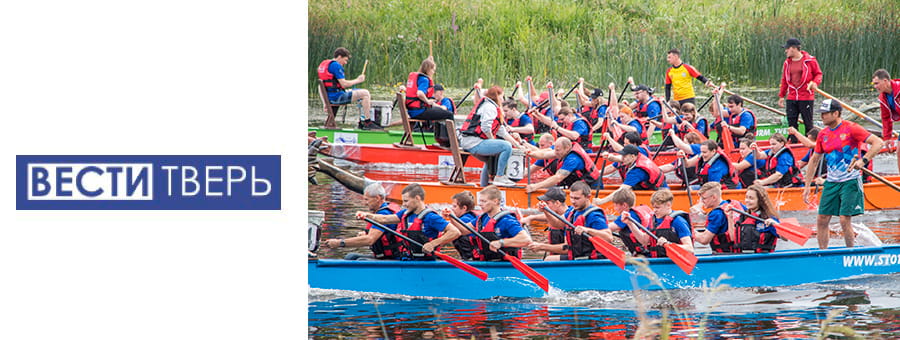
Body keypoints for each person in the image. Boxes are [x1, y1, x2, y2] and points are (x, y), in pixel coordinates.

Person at [802, 99, 884, 249]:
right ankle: (823, 254)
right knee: (821, 219)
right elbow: (814, 161)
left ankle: (850, 251)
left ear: (836, 113)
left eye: (825, 114)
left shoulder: (852, 128)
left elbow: (878, 142)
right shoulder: (822, 134)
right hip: (832, 182)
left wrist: (863, 160)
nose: (822, 117)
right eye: (821, 114)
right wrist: (807, 186)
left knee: (844, 219)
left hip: (850, 180)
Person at [353, 183, 460, 260]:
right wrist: (366, 215)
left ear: (417, 198)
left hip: (426, 261)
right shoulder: (405, 213)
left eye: (406, 201)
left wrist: (433, 244)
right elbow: (384, 219)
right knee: (352, 257)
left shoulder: (430, 217)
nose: (403, 204)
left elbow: (455, 232)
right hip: (409, 258)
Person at [443, 185, 532, 261]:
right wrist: (452, 216)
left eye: (484, 201)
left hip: (505, 264)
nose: (480, 204)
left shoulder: (507, 220)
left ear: (495, 201)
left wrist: (501, 242)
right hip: (487, 262)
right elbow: (464, 230)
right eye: (480, 201)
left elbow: (526, 240)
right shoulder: (482, 218)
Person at [528, 181, 612, 260]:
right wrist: (546, 211)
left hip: (590, 259)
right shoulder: (572, 211)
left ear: (588, 197)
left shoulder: (594, 215)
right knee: (549, 259)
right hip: (577, 256)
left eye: (577, 198)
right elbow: (557, 224)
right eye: (571, 197)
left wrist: (587, 230)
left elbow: (608, 238)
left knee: (549, 260)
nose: (573, 201)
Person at [458, 85, 522, 187]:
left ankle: (484, 186)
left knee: (490, 159)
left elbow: (502, 131)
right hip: (473, 142)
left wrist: (518, 144)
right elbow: (485, 128)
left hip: (469, 141)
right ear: (497, 96)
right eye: (502, 96)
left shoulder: (489, 106)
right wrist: (492, 140)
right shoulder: (490, 107)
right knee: (506, 146)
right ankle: (499, 177)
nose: (503, 99)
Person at [323, 183, 401, 260]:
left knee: (360, 261)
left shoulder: (384, 213)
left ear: (377, 198)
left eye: (366, 199)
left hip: (393, 258)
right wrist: (366, 233)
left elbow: (369, 240)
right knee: (351, 256)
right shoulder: (381, 211)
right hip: (383, 256)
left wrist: (340, 243)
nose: (364, 203)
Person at [317, 47, 376, 129]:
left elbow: (320, 86)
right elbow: (344, 84)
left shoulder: (325, 64)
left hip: (330, 97)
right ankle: (367, 122)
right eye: (345, 60)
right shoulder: (336, 66)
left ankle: (330, 124)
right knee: (365, 94)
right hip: (337, 97)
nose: (345, 63)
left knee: (360, 93)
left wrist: (325, 102)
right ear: (339, 57)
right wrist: (358, 80)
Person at [778, 38, 823, 142]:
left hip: (806, 96)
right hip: (792, 96)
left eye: (787, 49)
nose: (785, 51)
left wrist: (815, 83)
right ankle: (794, 143)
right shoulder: (787, 63)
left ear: (794, 49)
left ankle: (810, 143)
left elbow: (818, 74)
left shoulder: (810, 60)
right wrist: (781, 96)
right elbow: (784, 80)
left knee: (808, 123)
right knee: (792, 123)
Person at [593, 144, 667, 206]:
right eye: (622, 156)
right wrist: (611, 157)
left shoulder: (637, 172)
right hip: (652, 187)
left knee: (627, 191)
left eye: (624, 156)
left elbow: (621, 191)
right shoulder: (636, 157)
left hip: (660, 194)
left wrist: (601, 201)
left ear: (632, 156)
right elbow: (618, 160)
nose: (622, 158)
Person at [629, 189, 694, 257]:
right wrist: (630, 224)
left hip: (673, 262)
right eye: (653, 207)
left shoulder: (678, 221)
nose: (654, 210)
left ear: (668, 205)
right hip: (657, 260)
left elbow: (690, 248)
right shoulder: (654, 220)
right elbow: (645, 241)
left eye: (657, 208)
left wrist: (668, 244)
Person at [525, 137, 601, 192]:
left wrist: (536, 186)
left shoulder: (573, 159)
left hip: (592, 187)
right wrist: (530, 153)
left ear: (567, 148)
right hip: (577, 185)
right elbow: (543, 154)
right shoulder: (561, 151)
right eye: (555, 149)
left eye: (557, 150)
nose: (555, 152)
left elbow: (558, 177)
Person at [691, 182, 743, 253]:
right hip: (739, 250)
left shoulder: (716, 214)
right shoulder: (735, 204)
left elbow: (704, 240)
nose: (702, 201)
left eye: (704, 198)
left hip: (725, 254)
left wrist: (688, 230)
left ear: (714, 197)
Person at [520, 186, 571, 252]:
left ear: (557, 203)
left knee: (548, 259)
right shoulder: (560, 214)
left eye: (547, 203)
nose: (545, 205)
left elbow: (567, 249)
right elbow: (554, 217)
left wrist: (541, 247)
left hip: (570, 259)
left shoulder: (570, 217)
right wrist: (531, 217)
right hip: (557, 256)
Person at [607, 187, 654, 256]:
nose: (615, 209)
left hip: (643, 252)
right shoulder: (638, 211)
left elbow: (607, 228)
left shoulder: (627, 215)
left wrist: (589, 228)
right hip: (649, 247)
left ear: (624, 205)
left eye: (616, 205)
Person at [404, 57, 454, 121]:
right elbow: (419, 93)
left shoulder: (418, 78)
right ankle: (450, 131)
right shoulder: (425, 80)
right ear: (428, 69)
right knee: (449, 114)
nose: (433, 72)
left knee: (438, 112)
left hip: (411, 111)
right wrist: (427, 101)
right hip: (420, 112)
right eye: (433, 70)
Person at [735, 185, 781, 253]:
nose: (747, 200)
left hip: (762, 258)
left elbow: (785, 238)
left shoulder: (768, 218)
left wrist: (776, 224)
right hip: (743, 257)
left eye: (751, 198)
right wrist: (730, 217)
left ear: (760, 201)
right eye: (746, 197)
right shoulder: (743, 217)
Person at [872, 69, 900, 173]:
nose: (875, 86)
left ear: (885, 81)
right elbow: (886, 118)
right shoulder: (883, 98)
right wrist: (887, 137)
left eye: (877, 83)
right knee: (899, 152)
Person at [449, 191, 479, 260]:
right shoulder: (471, 216)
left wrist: (452, 217)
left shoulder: (465, 219)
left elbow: (452, 231)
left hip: (471, 255)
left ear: (464, 208)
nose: (452, 209)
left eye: (454, 206)